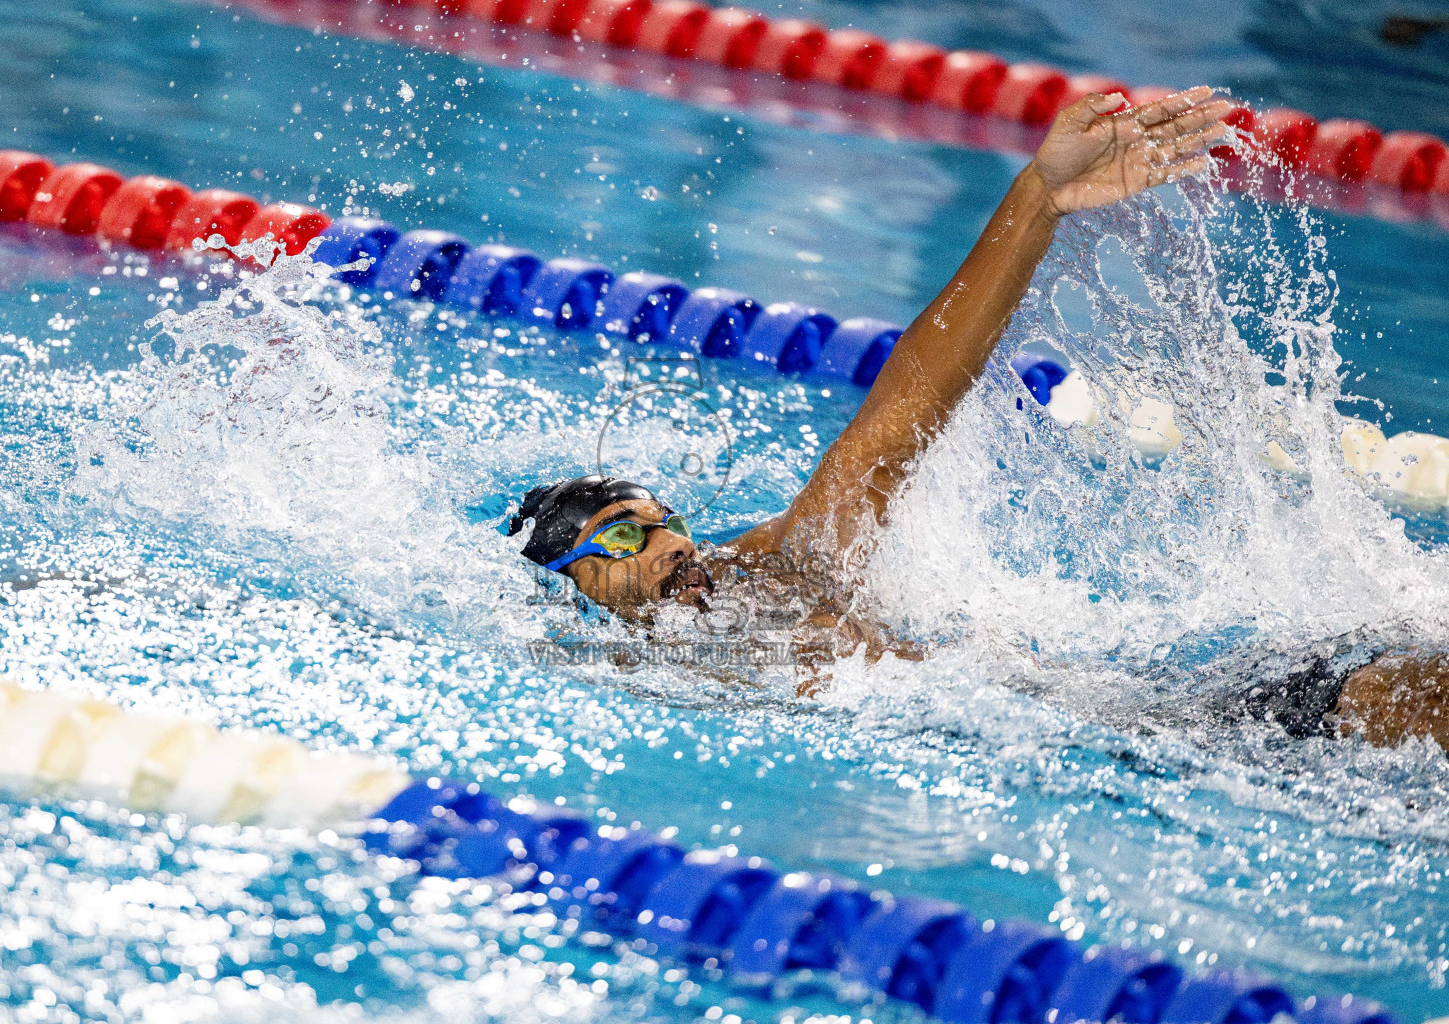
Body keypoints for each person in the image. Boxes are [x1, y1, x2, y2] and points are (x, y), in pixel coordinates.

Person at [506, 87, 1449, 749]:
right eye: (627, 532)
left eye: (666, 518)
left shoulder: (777, 570)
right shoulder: (608, 676)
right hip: (1137, 748)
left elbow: (899, 415)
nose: (670, 540)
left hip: (1153, 720)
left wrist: (1037, 196)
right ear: (568, 579)